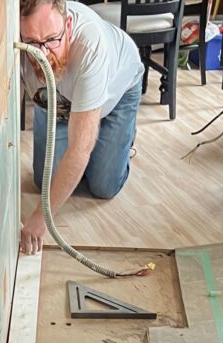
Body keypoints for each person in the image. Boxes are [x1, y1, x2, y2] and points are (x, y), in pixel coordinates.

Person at [19, 0, 144, 255]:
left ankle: (118, 138)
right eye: (32, 43)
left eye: (52, 40)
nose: (43, 54)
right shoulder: (12, 41)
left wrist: (42, 218)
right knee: (46, 182)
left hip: (116, 94)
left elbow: (79, 149)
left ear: (68, 25)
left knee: (103, 186)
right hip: (60, 101)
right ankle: (86, 126)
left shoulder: (90, 48)